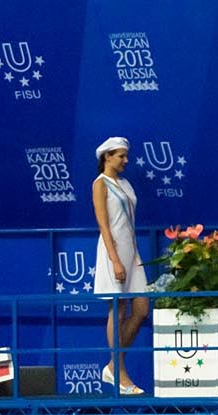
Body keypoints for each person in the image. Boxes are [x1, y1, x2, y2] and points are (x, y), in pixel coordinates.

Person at [92, 136, 148, 396]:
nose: (126, 160)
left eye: (126, 155)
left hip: (131, 252)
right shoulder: (100, 184)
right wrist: (114, 259)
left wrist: (132, 255)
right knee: (119, 309)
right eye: (121, 156)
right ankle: (121, 373)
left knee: (142, 309)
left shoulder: (125, 183)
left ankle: (113, 366)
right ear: (107, 157)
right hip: (112, 252)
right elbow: (104, 225)